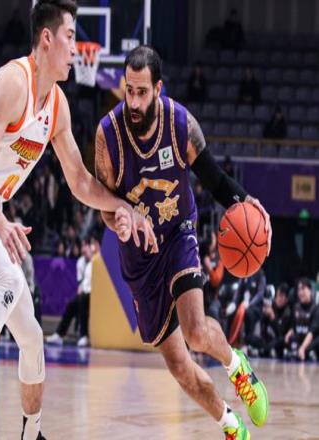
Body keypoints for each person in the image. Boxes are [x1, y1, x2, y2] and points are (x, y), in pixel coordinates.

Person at [0, 2, 155, 440]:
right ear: (47, 39)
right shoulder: (13, 82)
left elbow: (79, 181)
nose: (76, 47)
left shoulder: (58, 106)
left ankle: (31, 433)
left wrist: (121, 207)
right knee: (10, 283)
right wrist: (0, 222)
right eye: (71, 36)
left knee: (32, 336)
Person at [94, 45, 272, 440]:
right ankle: (230, 423)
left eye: (142, 92)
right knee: (178, 365)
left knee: (195, 331)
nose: (134, 102)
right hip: (139, 256)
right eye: (129, 91)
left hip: (177, 232)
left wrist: (246, 201)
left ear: (158, 88)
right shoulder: (108, 136)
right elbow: (104, 203)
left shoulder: (180, 124)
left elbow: (214, 179)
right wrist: (117, 219)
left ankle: (237, 367)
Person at [46, 236, 93, 347]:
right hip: (84, 292)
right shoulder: (80, 262)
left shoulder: (95, 261)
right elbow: (80, 282)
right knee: (71, 304)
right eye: (82, 246)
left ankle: (84, 335)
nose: (84, 248)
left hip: (93, 293)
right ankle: (59, 334)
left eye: (86, 245)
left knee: (82, 301)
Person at [285, 278, 319, 361]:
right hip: (299, 339)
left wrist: (303, 348)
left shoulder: (316, 309)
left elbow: (312, 332)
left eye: (303, 289)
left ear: (310, 291)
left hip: (310, 341)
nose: (300, 292)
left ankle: (307, 352)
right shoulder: (296, 307)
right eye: (299, 290)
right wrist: (289, 332)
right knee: (284, 339)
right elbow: (294, 327)